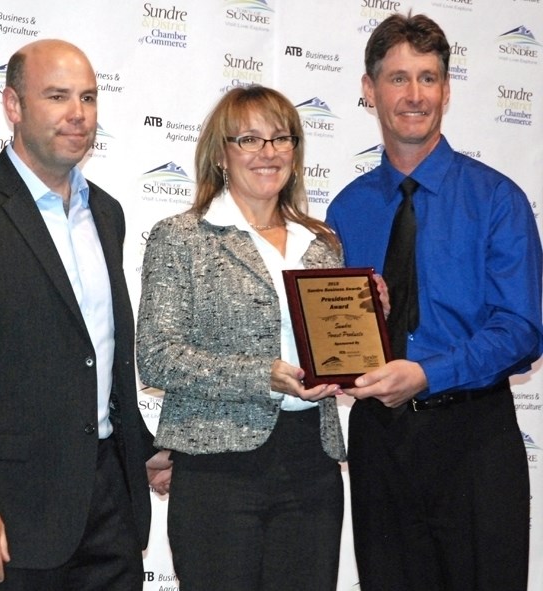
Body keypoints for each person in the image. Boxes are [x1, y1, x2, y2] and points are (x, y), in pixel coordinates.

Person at [0, 39, 170, 591]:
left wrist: (139, 450)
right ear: (13, 106)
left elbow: (94, 355)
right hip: (4, 516)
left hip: (109, 512)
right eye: (57, 96)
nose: (79, 113)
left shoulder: (108, 213)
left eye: (89, 98)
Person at [137, 85, 386, 591]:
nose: (268, 152)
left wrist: (369, 320)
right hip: (217, 468)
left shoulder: (322, 245)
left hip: (311, 463)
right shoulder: (182, 237)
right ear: (221, 155)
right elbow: (158, 357)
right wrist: (264, 376)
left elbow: (337, 348)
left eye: (281, 138)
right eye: (249, 138)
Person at [326, 13, 543, 591]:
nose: (414, 95)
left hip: (475, 441)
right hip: (379, 442)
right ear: (369, 90)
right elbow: (331, 330)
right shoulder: (345, 211)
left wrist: (427, 373)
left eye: (427, 78)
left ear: (447, 89)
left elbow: (522, 329)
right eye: (397, 78)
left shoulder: (497, 199)